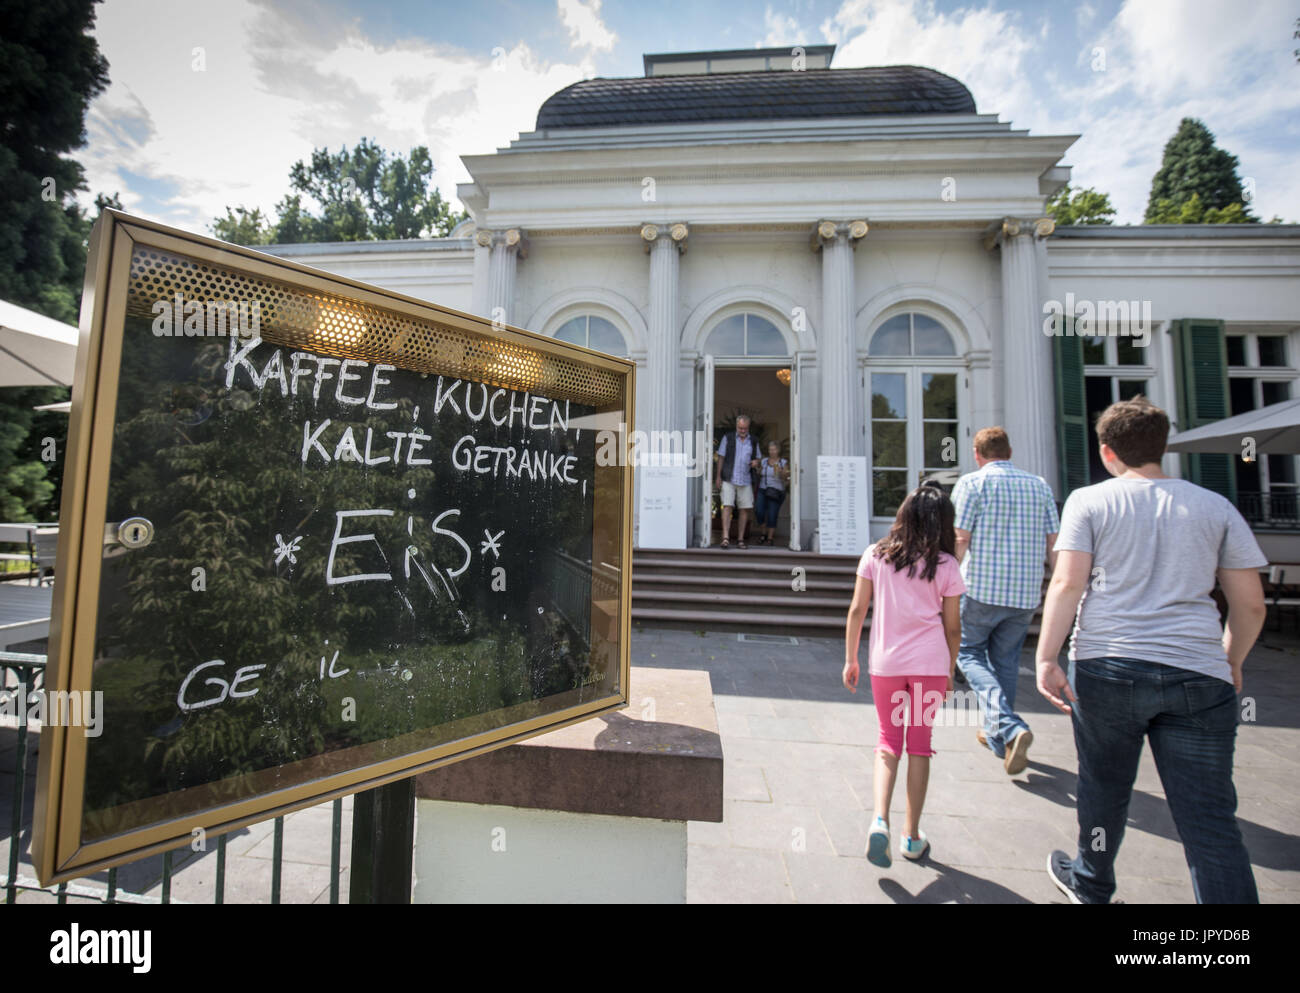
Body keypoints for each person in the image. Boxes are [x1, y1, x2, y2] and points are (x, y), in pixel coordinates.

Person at [1036, 396, 1266, 905]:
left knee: (1104, 788)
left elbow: (1068, 584)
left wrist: (1047, 656)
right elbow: (1250, 605)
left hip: (1108, 665)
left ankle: (1091, 884)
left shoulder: (1090, 501)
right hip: (1199, 674)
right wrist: (1229, 660)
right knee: (1209, 817)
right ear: (1162, 448)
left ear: (1106, 451)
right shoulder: (1215, 506)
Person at [843, 486, 966, 867]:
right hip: (929, 664)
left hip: (887, 663)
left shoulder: (876, 554)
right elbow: (953, 629)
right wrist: (948, 672)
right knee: (920, 745)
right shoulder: (946, 564)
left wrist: (851, 659)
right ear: (943, 521)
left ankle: (880, 817)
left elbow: (857, 608)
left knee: (887, 741)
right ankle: (911, 837)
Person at [951, 427, 1059, 775]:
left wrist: (946, 577)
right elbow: (1054, 543)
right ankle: (1000, 738)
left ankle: (1008, 727)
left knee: (966, 653)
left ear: (977, 453)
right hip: (1025, 591)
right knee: (1007, 662)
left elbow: (960, 537)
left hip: (981, 587)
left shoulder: (973, 483)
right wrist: (1058, 586)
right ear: (1009, 452)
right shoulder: (1040, 485)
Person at [714, 415, 761, 548]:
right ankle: (725, 538)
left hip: (746, 480)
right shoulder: (728, 438)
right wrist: (718, 477)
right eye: (740, 428)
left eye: (745, 428)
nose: (742, 431)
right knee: (727, 506)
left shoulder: (753, 441)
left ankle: (740, 539)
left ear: (748, 427)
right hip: (729, 478)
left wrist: (756, 463)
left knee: (744, 509)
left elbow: (758, 460)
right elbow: (721, 458)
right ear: (736, 426)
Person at [753, 441, 790, 546]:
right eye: (770, 450)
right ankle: (763, 533)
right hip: (763, 489)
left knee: (772, 514)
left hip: (776, 491)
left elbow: (786, 478)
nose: (772, 452)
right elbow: (759, 472)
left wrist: (781, 472)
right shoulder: (764, 461)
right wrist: (756, 468)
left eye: (774, 449)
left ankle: (769, 537)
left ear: (778, 450)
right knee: (759, 511)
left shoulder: (783, 462)